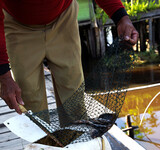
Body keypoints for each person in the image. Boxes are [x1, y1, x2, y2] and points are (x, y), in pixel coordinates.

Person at [0, 0, 138, 115]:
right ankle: (45, 145)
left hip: (63, 17)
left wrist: (121, 17)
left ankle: (74, 139)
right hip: (18, 24)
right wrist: (4, 76)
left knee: (74, 95)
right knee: (30, 101)